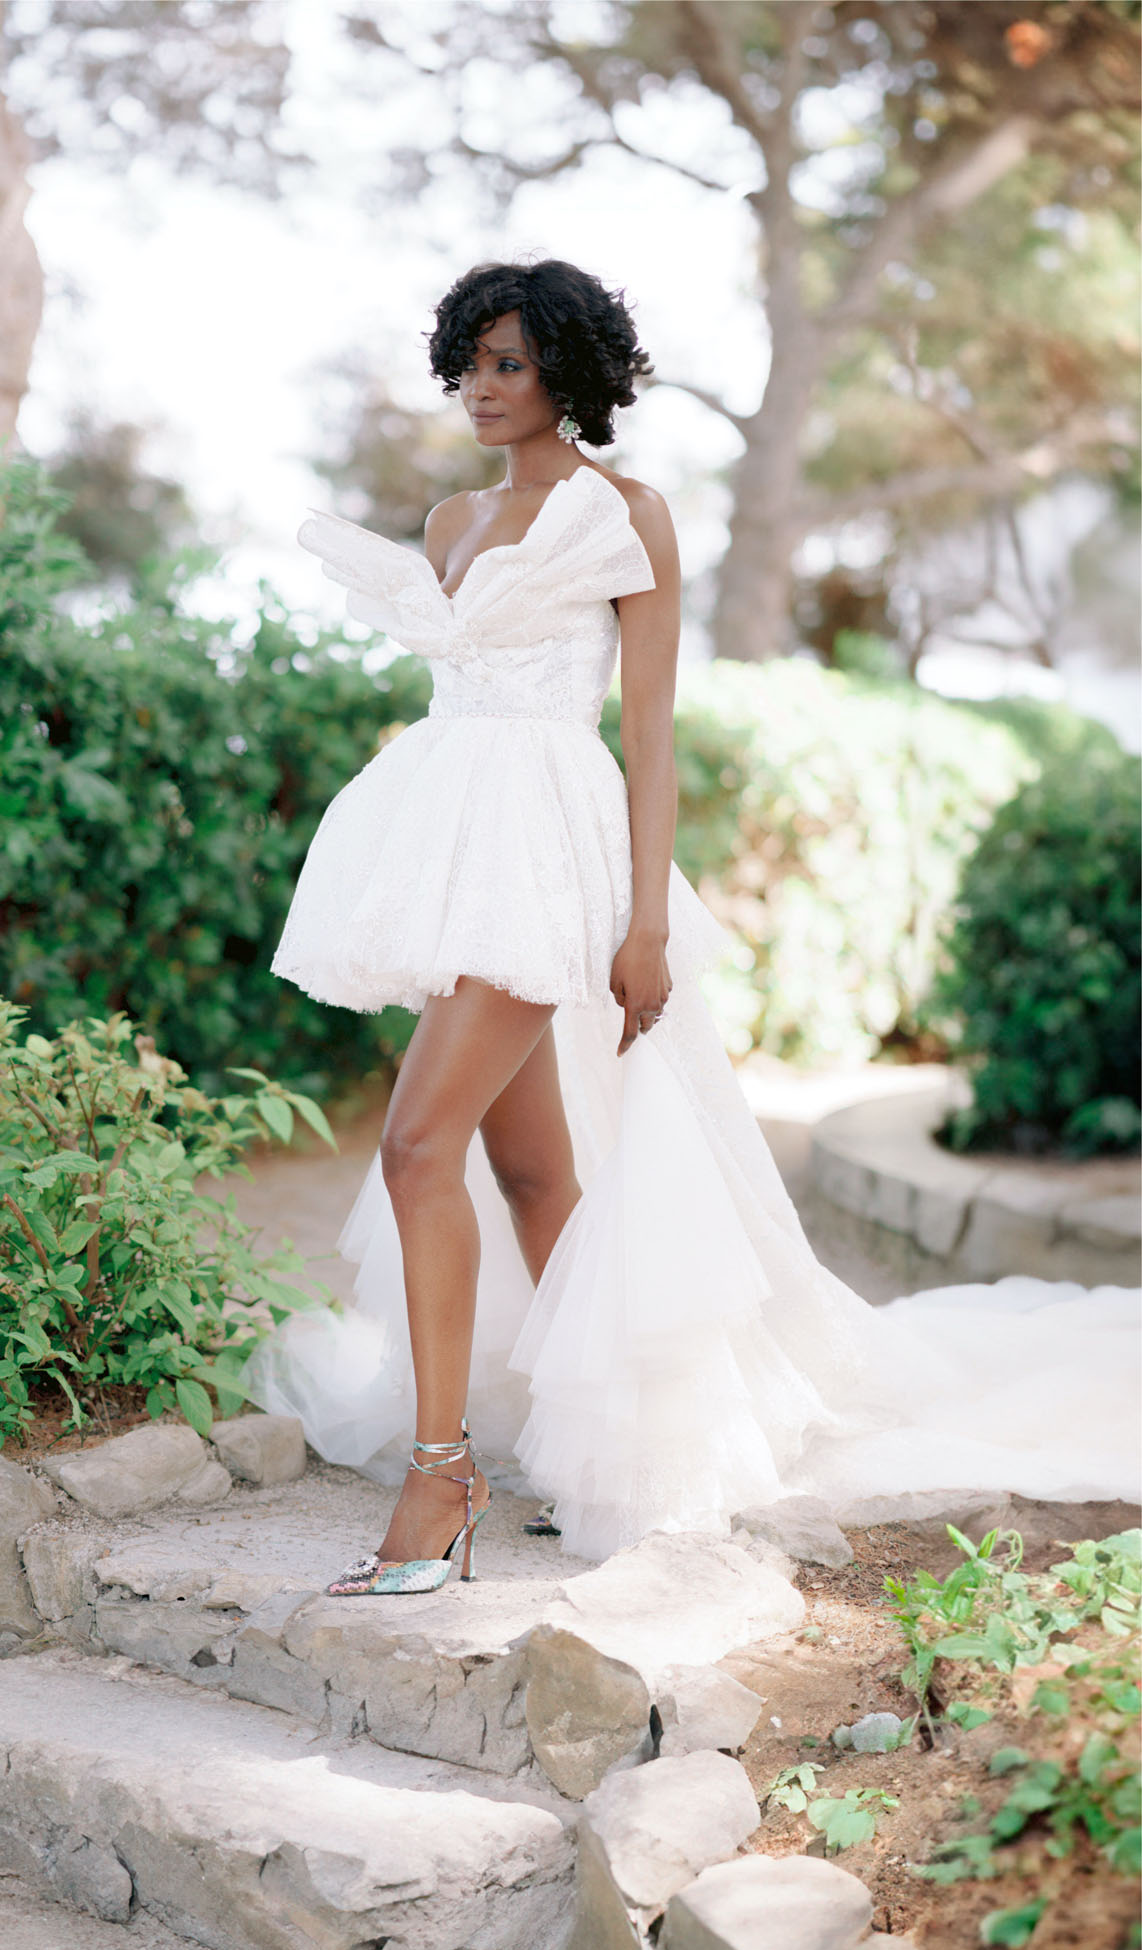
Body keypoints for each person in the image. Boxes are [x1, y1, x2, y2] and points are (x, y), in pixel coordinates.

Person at [253, 258, 1140, 1594]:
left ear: (568, 367)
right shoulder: (447, 521)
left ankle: (445, 1479)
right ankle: (593, 1445)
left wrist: (646, 924)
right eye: (468, 362)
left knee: (416, 1145)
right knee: (534, 1173)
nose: (480, 388)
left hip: (555, 853)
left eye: (508, 362)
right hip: (448, 841)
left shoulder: (627, 516)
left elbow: (649, 736)